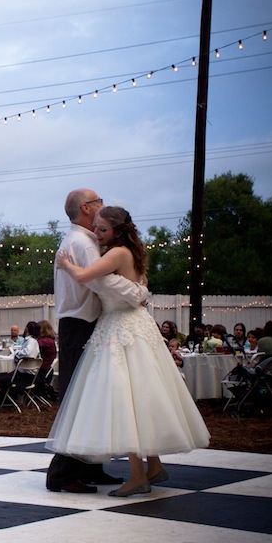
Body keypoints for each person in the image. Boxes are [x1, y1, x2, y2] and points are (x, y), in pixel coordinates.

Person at [49, 205, 210, 497]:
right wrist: (138, 293)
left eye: (102, 229)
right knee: (139, 395)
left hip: (121, 329)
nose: (96, 234)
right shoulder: (129, 253)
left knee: (125, 398)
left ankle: (137, 476)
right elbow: (130, 288)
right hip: (132, 327)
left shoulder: (115, 253)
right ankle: (154, 466)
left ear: (118, 230)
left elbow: (87, 277)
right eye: (95, 228)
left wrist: (67, 265)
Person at [45, 189, 150, 495]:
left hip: (80, 322)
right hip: (82, 324)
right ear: (87, 208)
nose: (104, 204)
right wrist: (138, 292)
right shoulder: (83, 242)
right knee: (80, 400)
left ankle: (90, 467)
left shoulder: (83, 241)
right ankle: (62, 473)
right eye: (99, 200)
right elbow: (99, 281)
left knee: (93, 396)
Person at [0, 321, 40, 406]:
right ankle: (5, 402)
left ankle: (3, 403)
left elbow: (28, 353)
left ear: (26, 329)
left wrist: (17, 354)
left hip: (24, 376)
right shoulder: (31, 341)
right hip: (21, 374)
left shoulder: (31, 341)